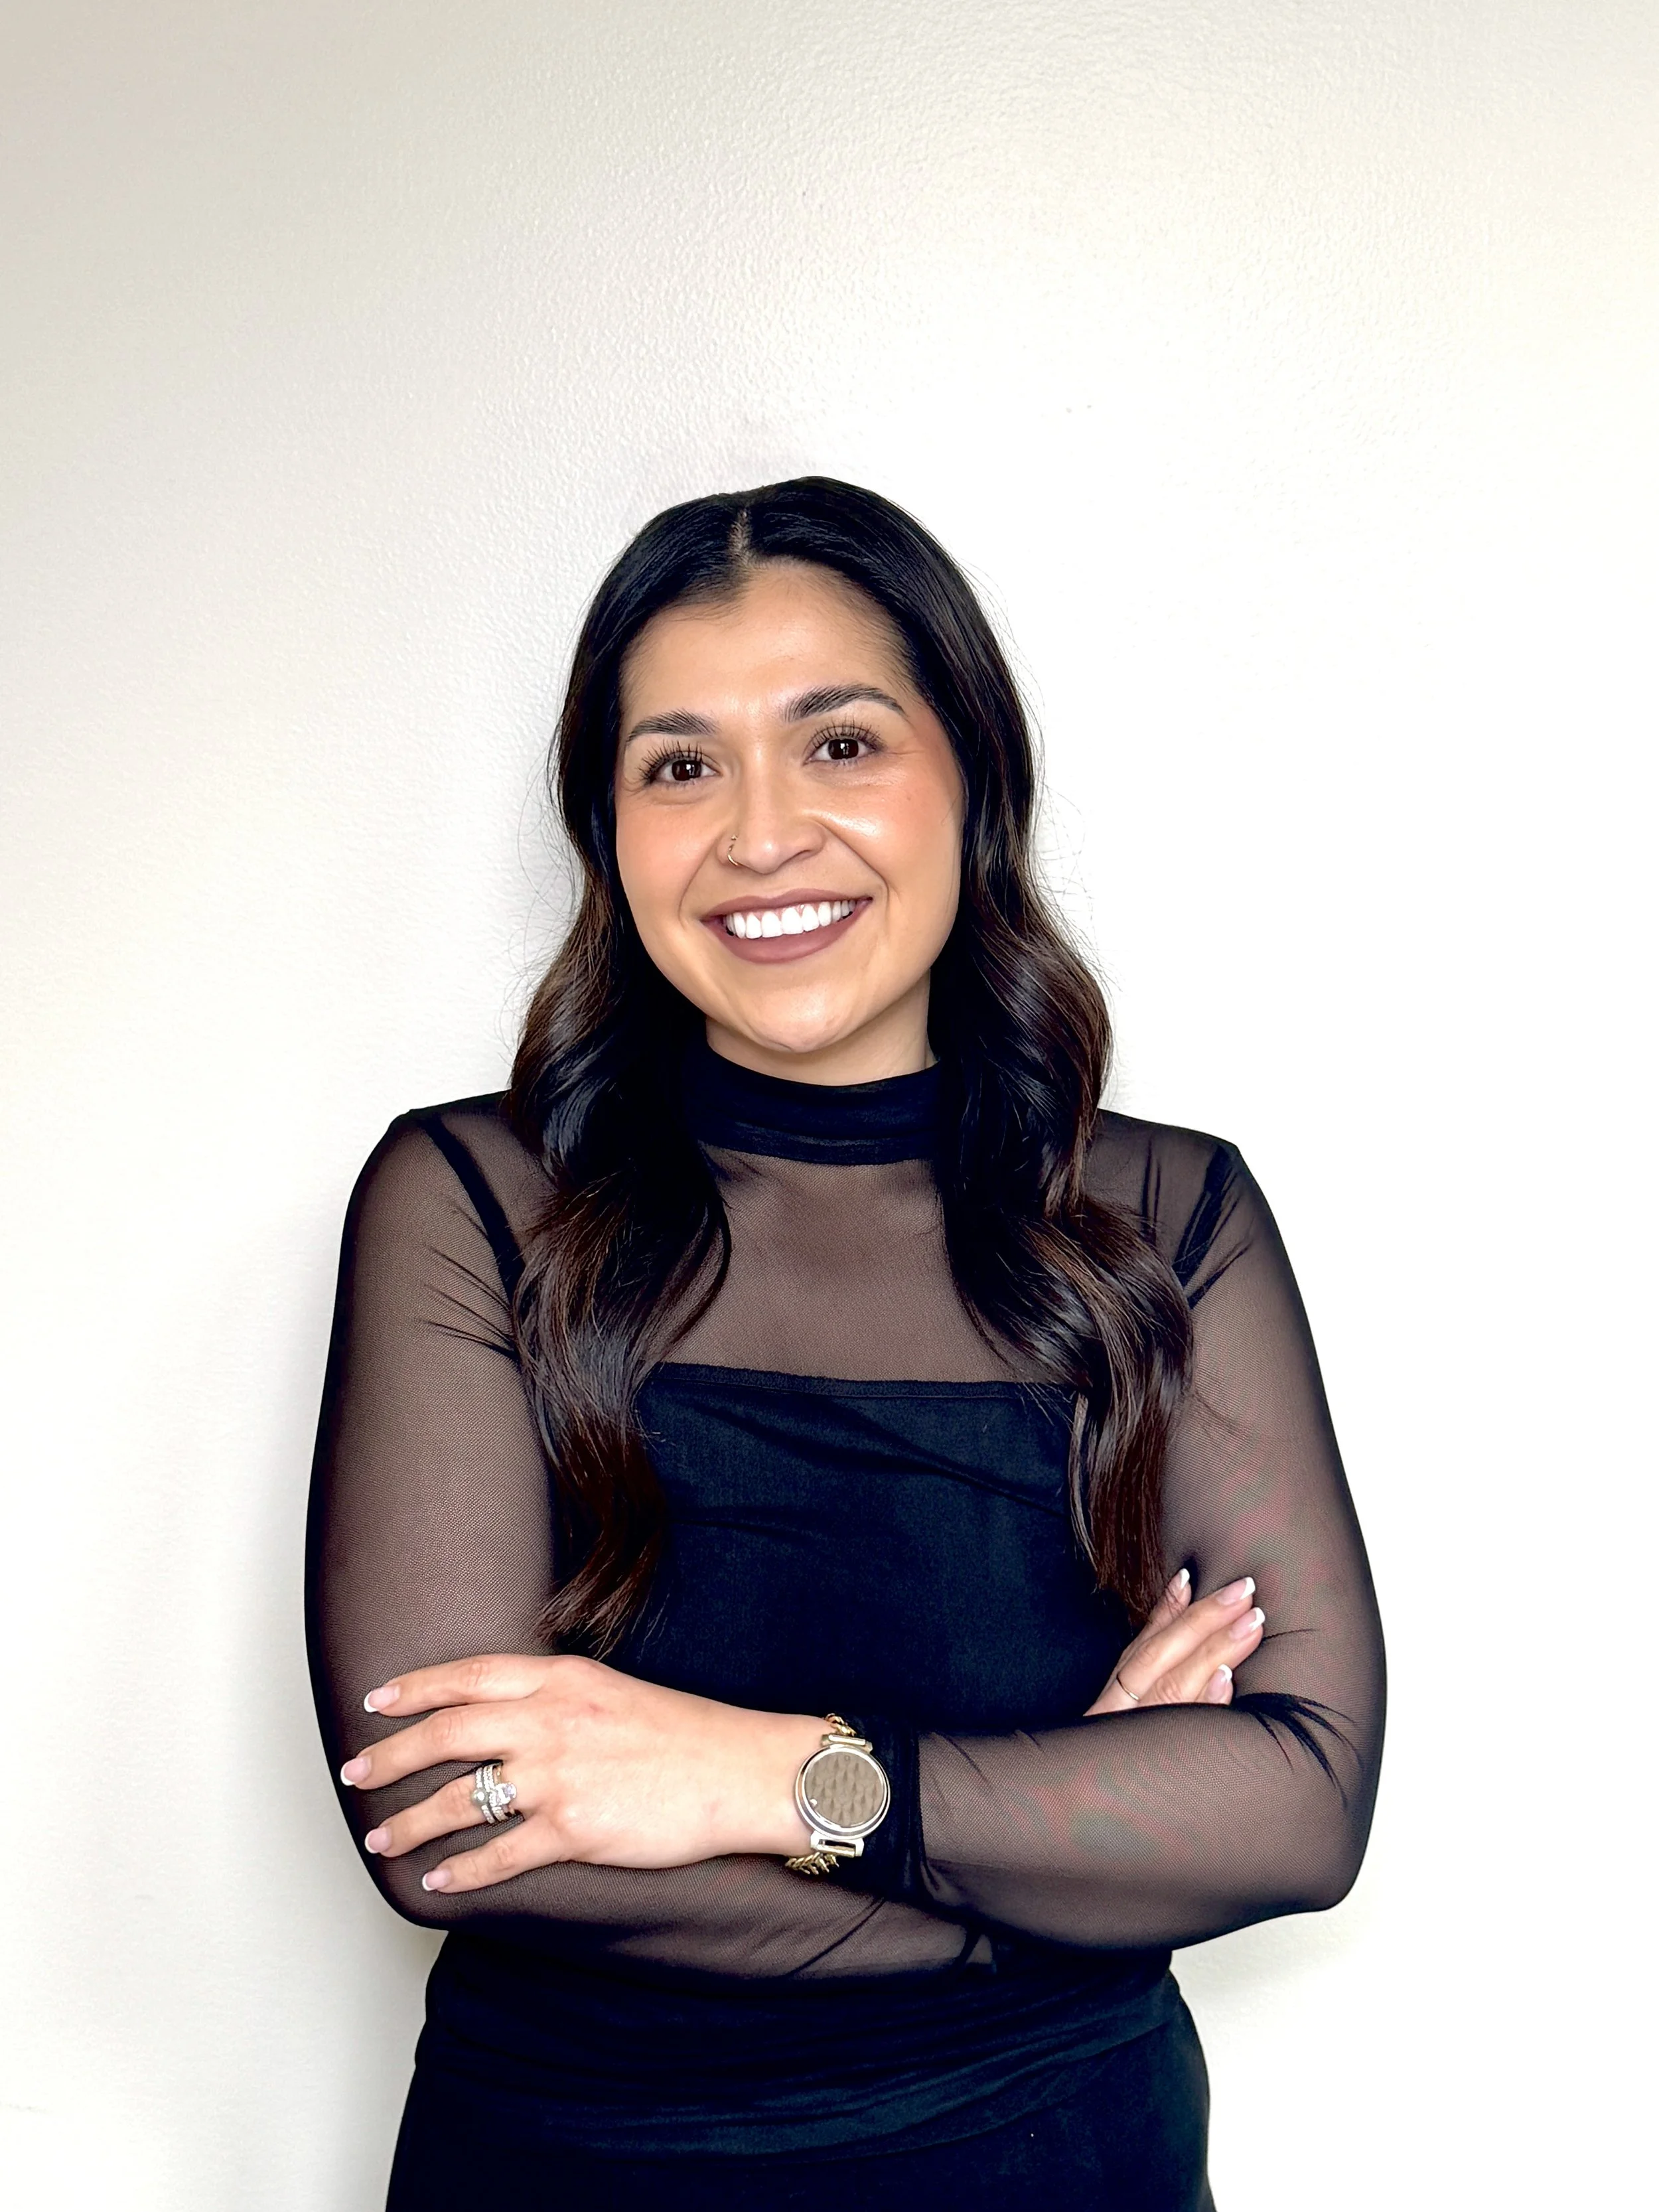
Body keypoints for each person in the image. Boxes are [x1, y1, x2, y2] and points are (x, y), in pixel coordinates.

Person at [307, 477, 1384, 2209]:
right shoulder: (472, 1201)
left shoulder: (1172, 1217)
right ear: (606, 834)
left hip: (1062, 2160)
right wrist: (1054, 1850)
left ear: (975, 784)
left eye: (841, 744)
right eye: (679, 765)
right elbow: (452, 1827)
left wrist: (767, 1777)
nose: (759, 833)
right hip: (582, 2165)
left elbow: (1300, 1798)